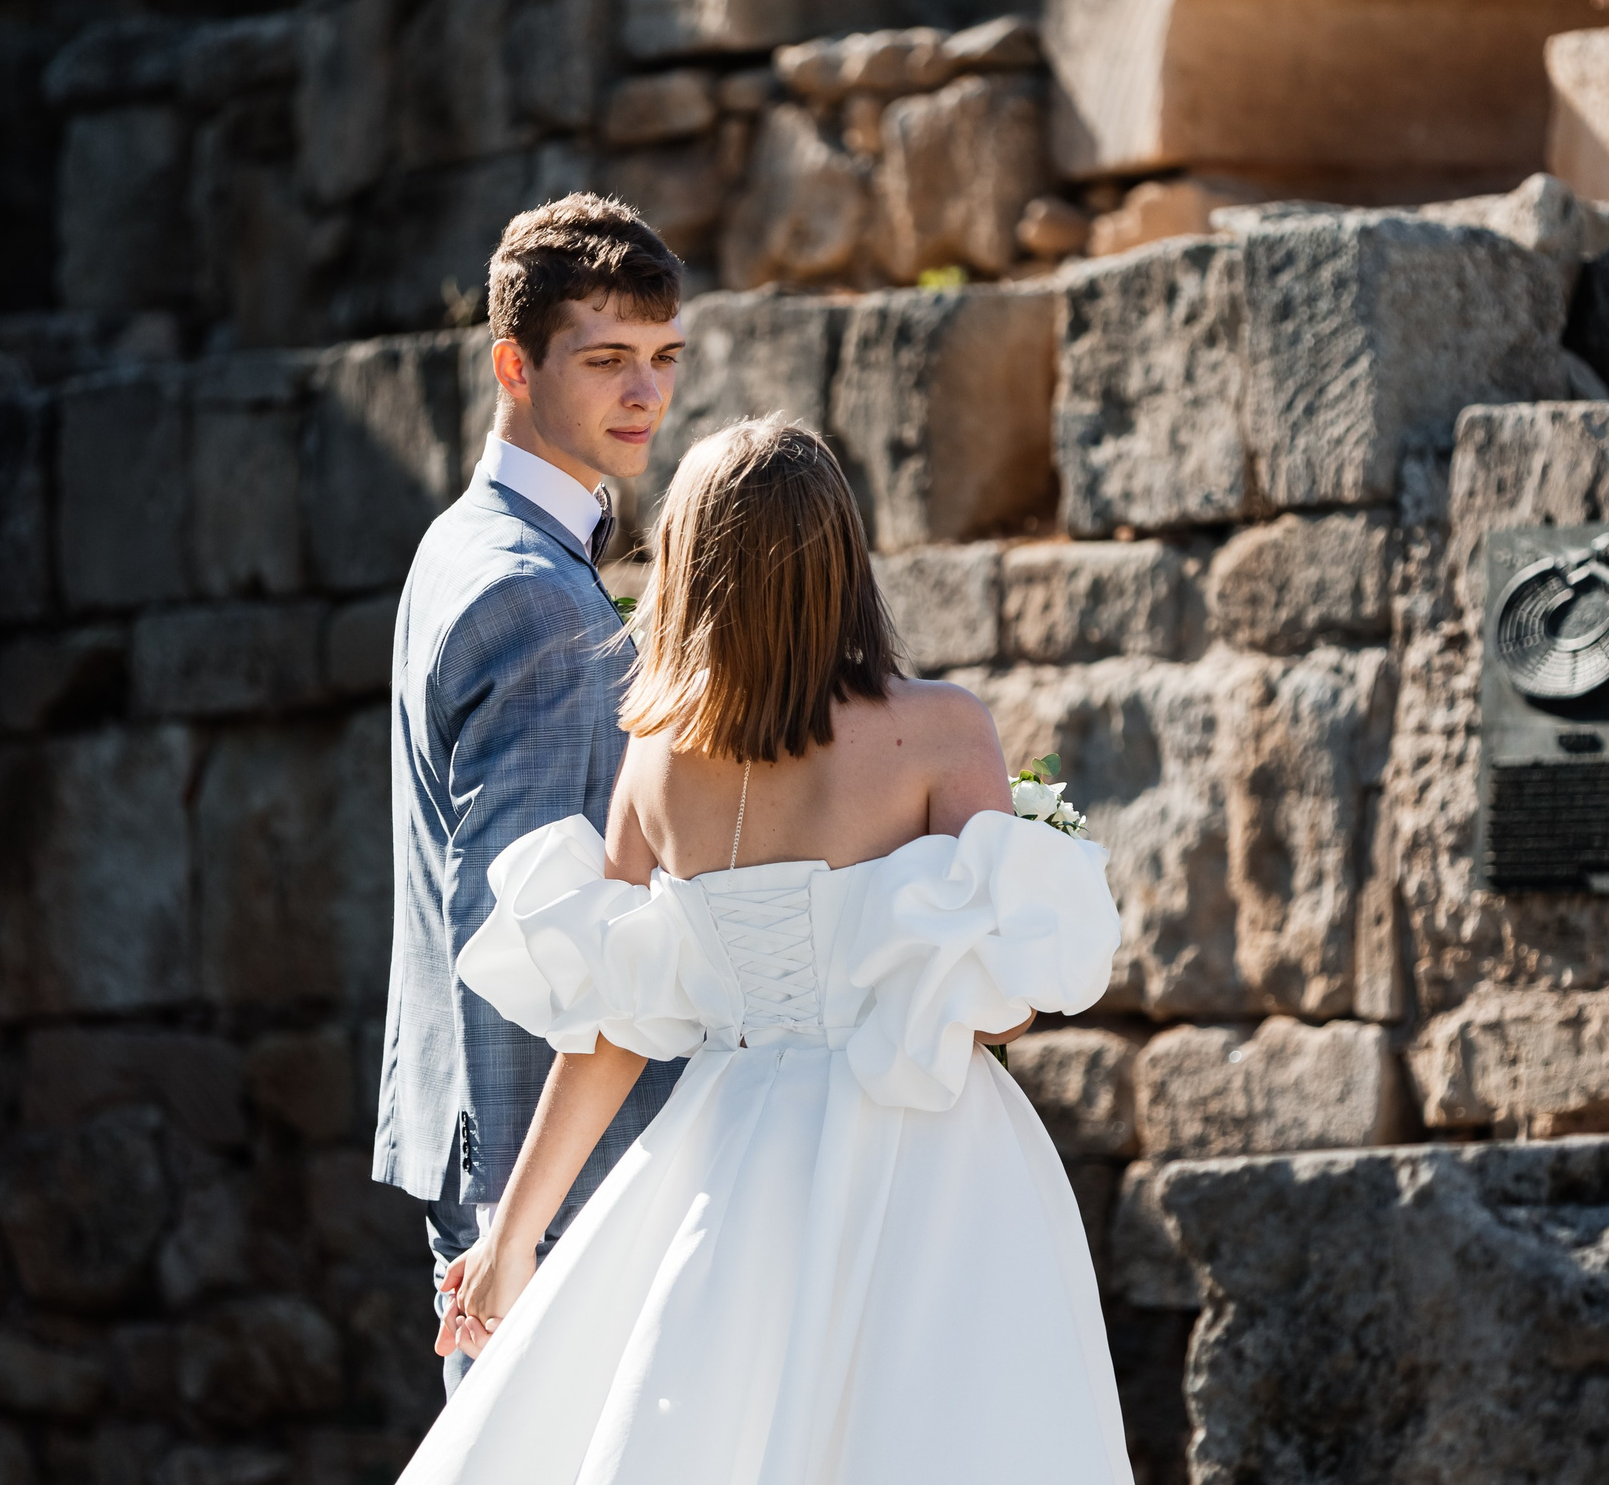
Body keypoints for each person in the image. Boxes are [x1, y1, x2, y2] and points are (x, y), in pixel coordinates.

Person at [404, 417, 1132, 1483]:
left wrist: (513, 1235)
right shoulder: (938, 730)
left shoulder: (655, 763)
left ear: (688, 569)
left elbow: (609, 1027)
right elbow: (998, 1008)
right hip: (930, 1153)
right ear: (842, 561)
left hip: (731, 1141)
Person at [372, 194, 689, 1397]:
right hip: (544, 1168)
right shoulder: (541, 606)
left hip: (490, 1151)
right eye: (606, 359)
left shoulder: (461, 541)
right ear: (514, 363)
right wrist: (524, 1227)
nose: (644, 395)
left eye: (663, 360)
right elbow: (526, 951)